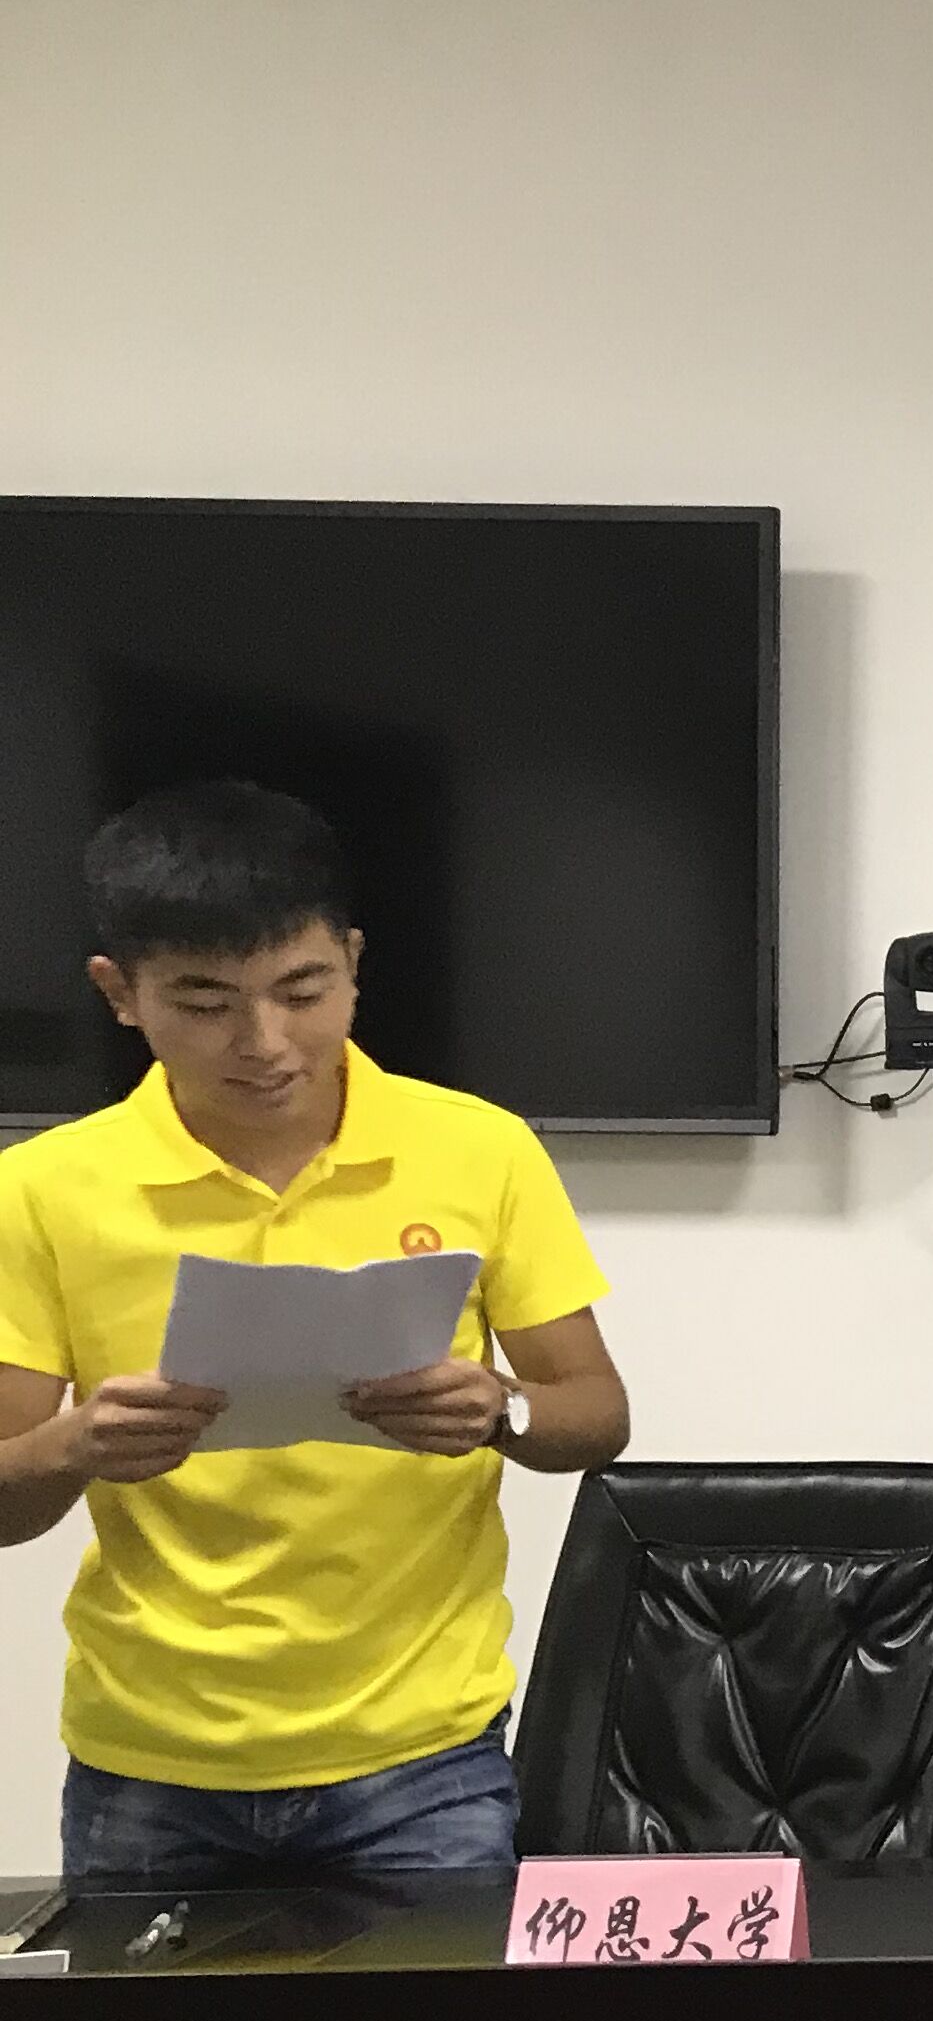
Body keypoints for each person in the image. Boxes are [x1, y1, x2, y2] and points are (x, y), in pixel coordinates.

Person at [0, 781, 631, 1880]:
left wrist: (502, 1411)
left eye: (304, 991)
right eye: (205, 1003)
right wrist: (74, 1445)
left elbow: (597, 1416)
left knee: (443, 2007)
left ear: (352, 961)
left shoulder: (480, 1149)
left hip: (425, 1755)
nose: (266, 1043)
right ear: (119, 993)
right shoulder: (44, 1189)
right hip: (150, 1758)